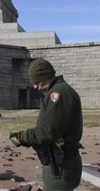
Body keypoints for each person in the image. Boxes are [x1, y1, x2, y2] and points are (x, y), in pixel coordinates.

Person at [10, 58, 83, 191]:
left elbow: (48, 132)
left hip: (60, 164)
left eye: (36, 82)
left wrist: (22, 137)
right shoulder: (59, 91)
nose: (35, 87)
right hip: (60, 161)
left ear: (44, 77)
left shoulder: (58, 93)